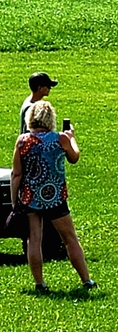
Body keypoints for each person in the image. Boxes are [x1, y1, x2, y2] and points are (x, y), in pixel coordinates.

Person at [10, 100, 96, 293]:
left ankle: (40, 283)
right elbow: (74, 157)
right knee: (70, 239)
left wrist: (15, 200)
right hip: (55, 195)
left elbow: (17, 174)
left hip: (31, 196)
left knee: (34, 239)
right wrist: (72, 137)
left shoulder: (23, 140)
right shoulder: (60, 139)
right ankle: (86, 280)